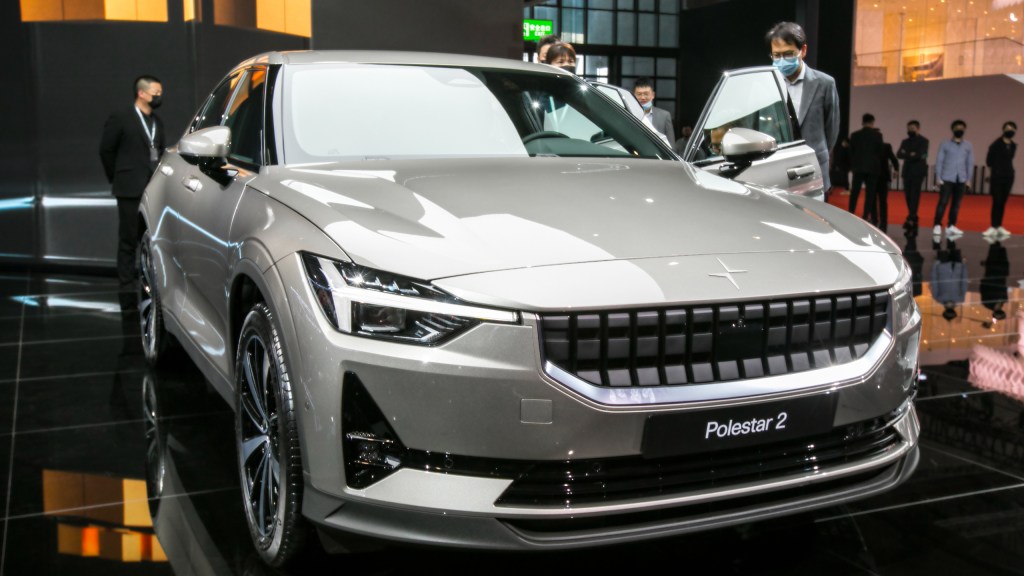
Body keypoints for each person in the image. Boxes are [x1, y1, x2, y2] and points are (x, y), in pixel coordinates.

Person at [99, 74, 165, 289]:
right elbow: (106, 150)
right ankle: (126, 283)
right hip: (129, 187)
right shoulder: (121, 117)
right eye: (155, 93)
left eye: (160, 93)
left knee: (151, 237)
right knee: (128, 239)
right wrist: (117, 176)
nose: (158, 96)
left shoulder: (156, 121)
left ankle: (150, 280)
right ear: (141, 93)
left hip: (152, 188)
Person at [765, 21, 840, 192]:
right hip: (774, 173)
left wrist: (817, 155)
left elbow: (832, 130)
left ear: (803, 50)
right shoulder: (766, 85)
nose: (782, 60)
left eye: (788, 54)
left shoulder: (825, 83)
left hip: (813, 171)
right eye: (776, 55)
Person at [933, 119, 974, 238]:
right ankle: (937, 224)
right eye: (957, 128)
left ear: (964, 130)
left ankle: (951, 225)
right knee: (943, 202)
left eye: (961, 128)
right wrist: (938, 177)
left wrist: (968, 179)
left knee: (956, 204)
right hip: (947, 178)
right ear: (953, 129)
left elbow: (969, 163)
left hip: (961, 179)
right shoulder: (945, 144)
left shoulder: (968, 145)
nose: (959, 130)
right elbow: (939, 161)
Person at [848, 113, 883, 224]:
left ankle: (851, 213)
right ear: (872, 122)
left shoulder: (854, 135)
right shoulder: (878, 136)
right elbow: (880, 153)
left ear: (862, 122)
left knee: (855, 192)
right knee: (870, 194)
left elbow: (851, 152)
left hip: (858, 168)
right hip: (873, 169)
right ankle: (865, 216)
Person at [984, 120, 1016, 238]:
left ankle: (999, 226)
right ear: (1003, 130)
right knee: (996, 201)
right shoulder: (996, 144)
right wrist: (994, 171)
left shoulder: (1013, 145)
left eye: (1012, 129)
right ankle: (993, 226)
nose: (1010, 131)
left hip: (1009, 176)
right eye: (1008, 129)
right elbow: (989, 161)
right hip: (997, 176)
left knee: (1003, 202)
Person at [897, 120, 929, 230]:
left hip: (918, 172)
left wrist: (907, 154)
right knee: (908, 195)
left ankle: (911, 216)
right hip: (907, 172)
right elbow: (899, 154)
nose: (910, 130)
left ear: (918, 128)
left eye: (912, 128)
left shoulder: (924, 141)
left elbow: (921, 155)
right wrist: (911, 154)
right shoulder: (905, 141)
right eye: (909, 128)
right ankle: (913, 215)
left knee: (915, 195)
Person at [633, 77, 674, 144]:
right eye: (639, 94)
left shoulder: (664, 116)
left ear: (653, 95)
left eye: (646, 94)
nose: (643, 97)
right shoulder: (628, 114)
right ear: (633, 95)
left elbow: (671, 145)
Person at [874, 138, 899, 230]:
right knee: (874, 200)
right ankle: (875, 219)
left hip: (882, 177)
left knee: (882, 200)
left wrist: (896, 169)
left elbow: (893, 159)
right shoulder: (871, 146)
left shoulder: (886, 146)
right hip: (872, 177)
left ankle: (883, 220)